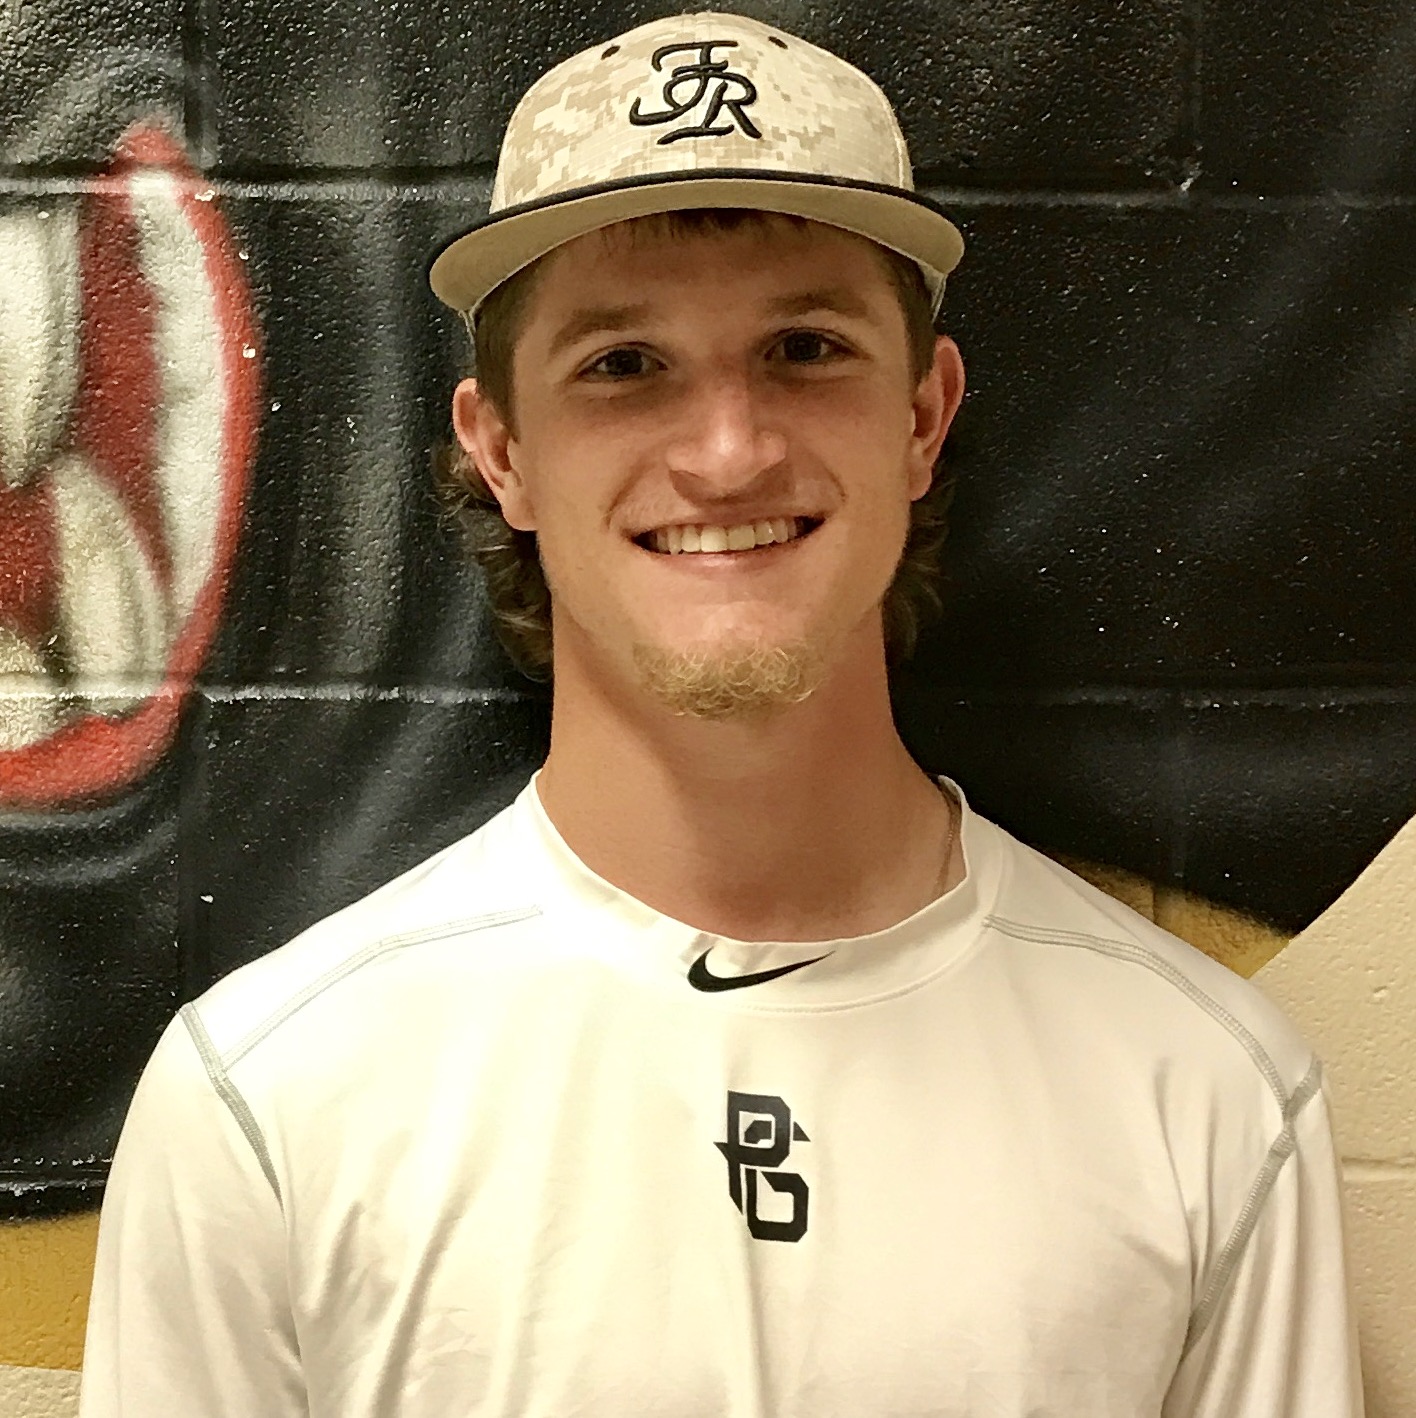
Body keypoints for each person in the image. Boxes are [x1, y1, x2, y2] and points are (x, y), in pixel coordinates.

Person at [80, 11, 1364, 1415]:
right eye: (623, 364)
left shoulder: (1204, 1095)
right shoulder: (273, 1099)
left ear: (923, 417)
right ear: (501, 448)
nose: (728, 452)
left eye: (806, 347)